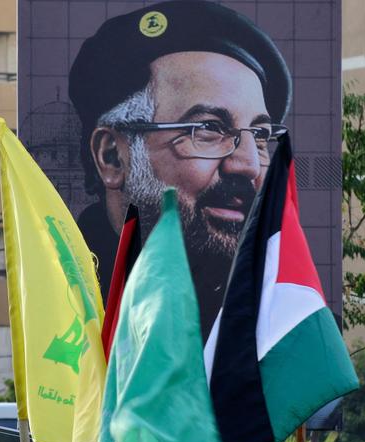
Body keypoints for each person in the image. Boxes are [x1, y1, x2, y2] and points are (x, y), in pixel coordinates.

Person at [69, 0, 292, 339]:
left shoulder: (292, 331)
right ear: (113, 156)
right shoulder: (63, 309)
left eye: (260, 136)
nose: (248, 165)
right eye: (208, 129)